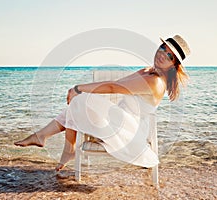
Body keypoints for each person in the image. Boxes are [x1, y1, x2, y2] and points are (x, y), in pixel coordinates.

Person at [14, 35, 191, 171]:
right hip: (117, 119)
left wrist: (79, 88)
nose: (162, 55)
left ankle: (62, 146)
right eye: (163, 48)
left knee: (79, 99)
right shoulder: (147, 71)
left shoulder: (155, 82)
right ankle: (44, 138)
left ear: (173, 65)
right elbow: (120, 84)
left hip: (127, 131)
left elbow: (114, 88)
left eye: (169, 56)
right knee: (80, 102)